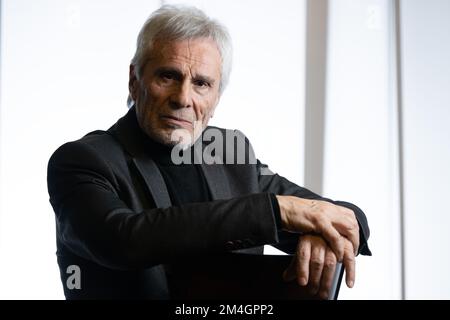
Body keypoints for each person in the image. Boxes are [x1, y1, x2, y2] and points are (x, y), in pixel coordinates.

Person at [47, 5, 371, 300]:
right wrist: (277, 211)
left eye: (201, 83)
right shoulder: (81, 161)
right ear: (135, 80)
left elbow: (341, 214)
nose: (183, 98)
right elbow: (125, 240)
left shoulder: (229, 153)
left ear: (216, 98)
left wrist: (321, 236)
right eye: (168, 76)